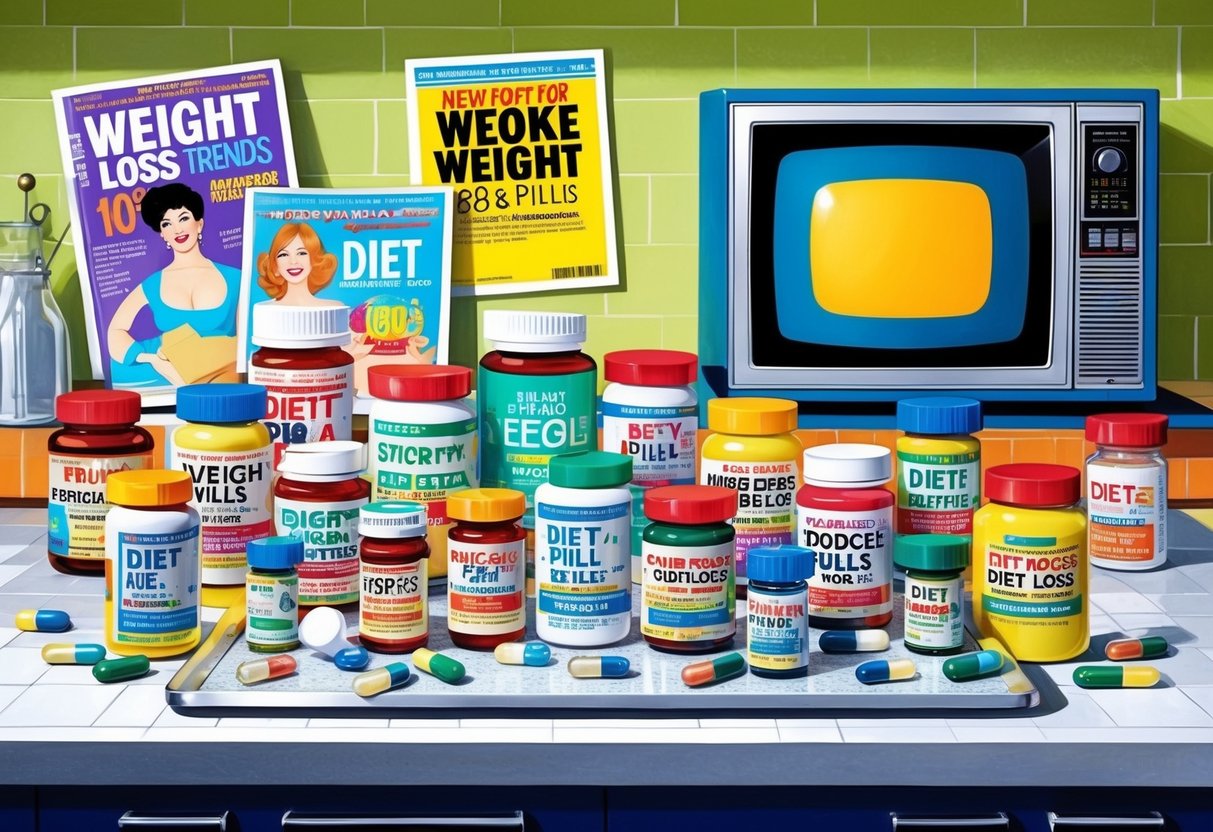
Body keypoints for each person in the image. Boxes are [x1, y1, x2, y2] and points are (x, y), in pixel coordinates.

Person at [107, 183, 240, 389]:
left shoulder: (235, 278)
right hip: (165, 370)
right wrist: (149, 358)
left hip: (221, 372)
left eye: (184, 218)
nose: (177, 229)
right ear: (162, 234)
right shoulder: (153, 284)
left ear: (199, 224)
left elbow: (246, 344)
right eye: (166, 224)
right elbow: (115, 331)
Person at [255, 222, 341, 306]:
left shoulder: (334, 307)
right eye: (284, 254)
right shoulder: (266, 309)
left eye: (301, 253)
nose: (293, 261)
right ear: (275, 266)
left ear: (314, 260)